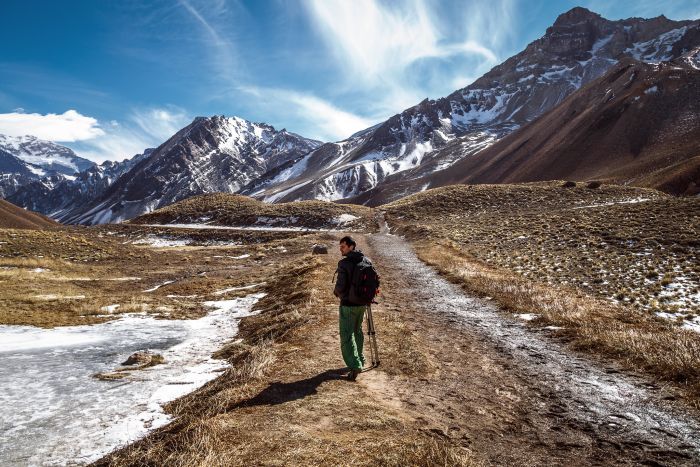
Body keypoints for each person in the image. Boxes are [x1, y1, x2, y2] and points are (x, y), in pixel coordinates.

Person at [333, 235, 367, 381]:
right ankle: (360, 359)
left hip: (348, 305)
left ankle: (355, 366)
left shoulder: (344, 264)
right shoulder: (366, 261)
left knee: (346, 335)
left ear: (351, 246)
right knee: (357, 331)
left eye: (343, 246)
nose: (341, 249)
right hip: (362, 304)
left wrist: (337, 293)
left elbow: (340, 287)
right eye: (340, 246)